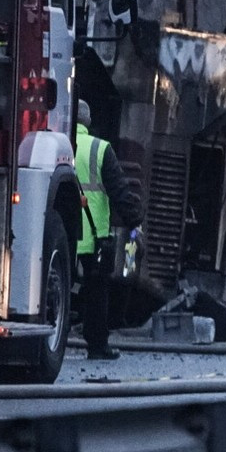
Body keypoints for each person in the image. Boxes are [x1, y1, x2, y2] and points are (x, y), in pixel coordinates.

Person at [75, 99, 142, 360]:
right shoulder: (100, 148)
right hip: (93, 235)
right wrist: (135, 221)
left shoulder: (56, 143)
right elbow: (119, 191)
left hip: (63, 232)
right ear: (88, 122)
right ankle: (97, 345)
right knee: (96, 290)